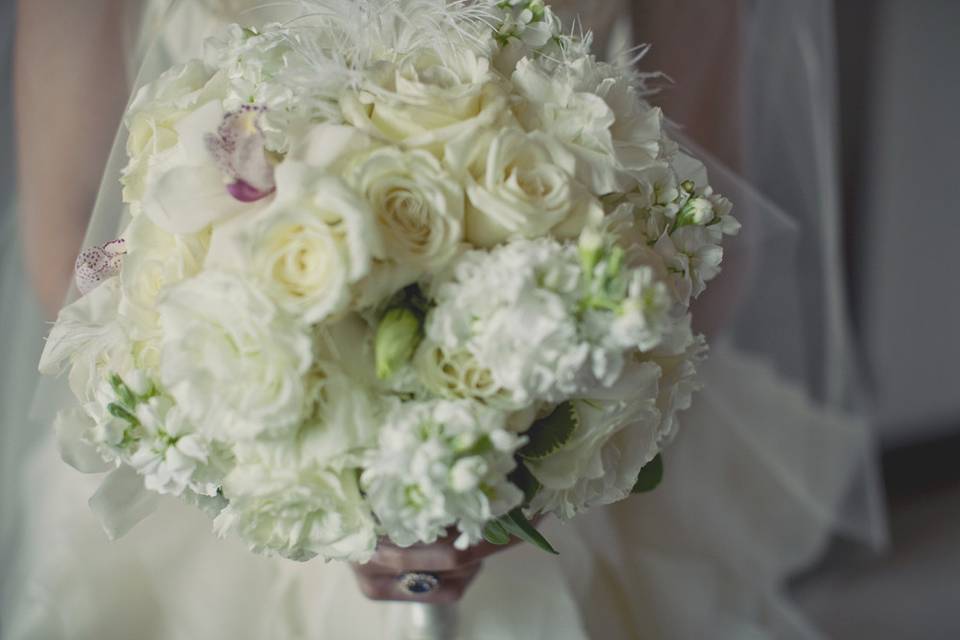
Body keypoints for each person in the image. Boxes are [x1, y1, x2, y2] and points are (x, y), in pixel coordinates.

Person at [2, 1, 884, 638]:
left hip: (555, 450)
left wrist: (526, 454)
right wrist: (271, 454)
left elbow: (700, 227)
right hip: (206, 457)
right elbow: (74, 222)